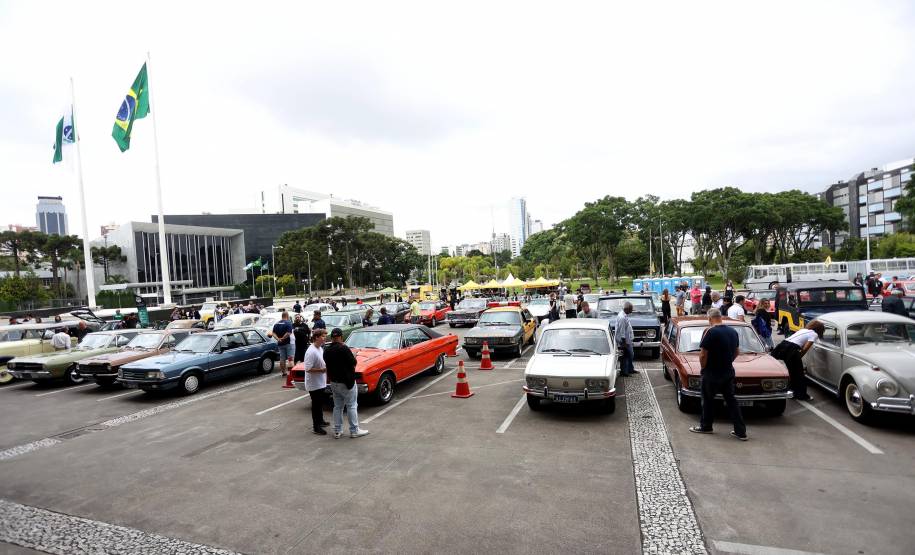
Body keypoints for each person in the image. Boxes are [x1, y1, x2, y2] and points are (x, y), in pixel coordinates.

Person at [689, 308, 747, 440]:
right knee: (732, 401)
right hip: (728, 371)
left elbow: (703, 354)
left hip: (711, 372)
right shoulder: (733, 332)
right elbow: (737, 351)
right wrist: (728, 361)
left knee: (708, 400)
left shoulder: (710, 332)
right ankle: (740, 431)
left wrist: (704, 368)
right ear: (720, 317)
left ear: (709, 319)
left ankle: (706, 426)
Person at [324, 327, 370, 439]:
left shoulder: (327, 350)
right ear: (341, 337)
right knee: (352, 405)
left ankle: (338, 430)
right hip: (346, 382)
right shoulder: (344, 349)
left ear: (332, 337)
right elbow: (353, 362)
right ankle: (354, 430)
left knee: (337, 407)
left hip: (334, 382)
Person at [770, 320, 824, 402]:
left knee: (791, 371)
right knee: (799, 373)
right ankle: (802, 395)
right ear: (820, 329)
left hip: (783, 345)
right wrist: (799, 357)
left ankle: (791, 392)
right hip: (792, 349)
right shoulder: (814, 334)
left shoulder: (803, 330)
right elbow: (806, 348)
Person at [303, 329, 330, 434]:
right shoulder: (311, 351)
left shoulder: (319, 348)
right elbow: (308, 368)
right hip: (314, 384)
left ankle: (321, 421)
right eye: (323, 336)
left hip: (320, 382)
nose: (325, 338)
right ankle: (316, 427)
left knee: (320, 403)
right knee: (316, 405)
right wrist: (322, 370)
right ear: (316, 337)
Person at [617, 302, 637, 376]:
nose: (632, 311)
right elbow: (622, 332)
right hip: (624, 341)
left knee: (630, 355)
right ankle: (624, 372)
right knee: (625, 356)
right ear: (627, 309)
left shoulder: (624, 315)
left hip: (628, 340)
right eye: (631, 309)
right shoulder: (622, 317)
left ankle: (630, 369)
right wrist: (624, 343)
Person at [272, 311, 294, 376]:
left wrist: (278, 339)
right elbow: (288, 333)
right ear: (287, 316)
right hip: (288, 343)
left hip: (280, 344)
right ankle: (291, 374)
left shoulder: (277, 323)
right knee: (290, 359)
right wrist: (283, 338)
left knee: (282, 359)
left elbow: (273, 333)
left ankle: (284, 372)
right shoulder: (288, 323)